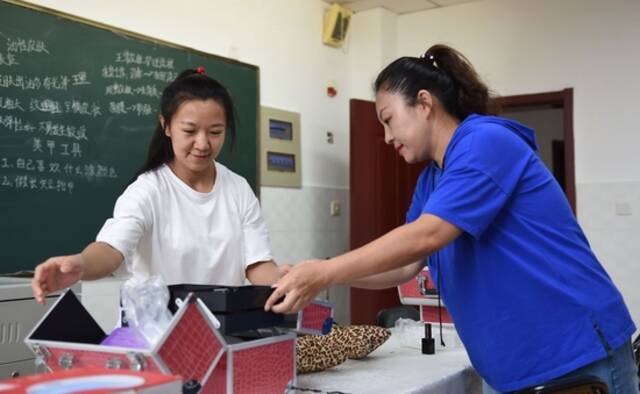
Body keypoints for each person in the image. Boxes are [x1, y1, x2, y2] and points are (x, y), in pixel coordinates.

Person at [265, 45, 638, 393]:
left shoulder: (485, 141)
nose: (386, 136)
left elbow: (428, 235)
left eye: (389, 119)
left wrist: (325, 273)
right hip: (511, 369)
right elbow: (407, 263)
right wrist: (319, 270)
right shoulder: (433, 178)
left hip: (573, 354)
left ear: (424, 103)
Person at [32, 68, 287, 305]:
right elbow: (111, 249)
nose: (202, 143)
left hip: (222, 329)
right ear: (166, 126)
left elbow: (256, 263)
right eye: (189, 130)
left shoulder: (238, 189)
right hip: (157, 331)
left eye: (215, 132)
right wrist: (80, 265)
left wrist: (282, 281)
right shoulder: (148, 190)